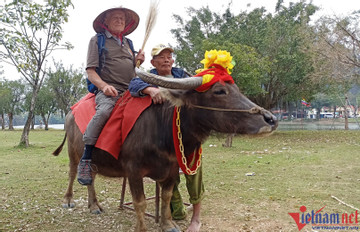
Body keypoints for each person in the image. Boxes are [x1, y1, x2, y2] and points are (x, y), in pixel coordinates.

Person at [129, 44, 204, 232]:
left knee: (193, 171)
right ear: (153, 62)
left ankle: (196, 217)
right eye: (161, 57)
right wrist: (150, 90)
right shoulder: (149, 77)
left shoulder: (183, 76)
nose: (166, 59)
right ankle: (175, 210)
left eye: (169, 56)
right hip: (162, 139)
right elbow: (133, 84)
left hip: (185, 136)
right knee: (167, 174)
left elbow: (200, 88)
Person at [77, 7, 145, 186]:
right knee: (104, 111)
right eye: (114, 17)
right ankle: (86, 158)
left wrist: (138, 61)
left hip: (132, 90)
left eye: (122, 18)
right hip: (110, 91)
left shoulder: (129, 43)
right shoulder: (97, 40)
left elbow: (132, 70)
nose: (119, 20)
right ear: (105, 22)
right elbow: (91, 71)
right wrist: (104, 86)